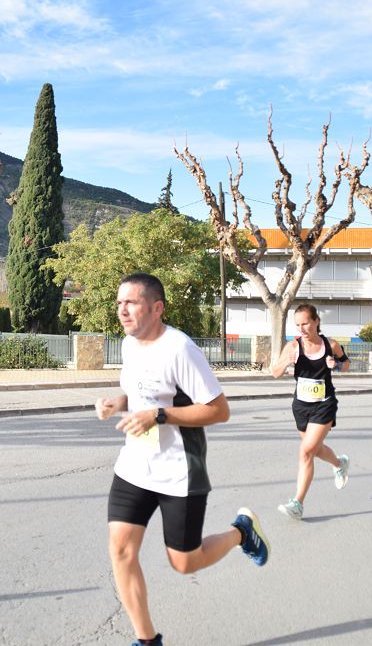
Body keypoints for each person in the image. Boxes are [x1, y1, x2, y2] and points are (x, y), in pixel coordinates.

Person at [96, 273, 269, 646]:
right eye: (119, 302)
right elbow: (142, 391)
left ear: (156, 308)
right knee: (122, 551)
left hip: (179, 472)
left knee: (184, 562)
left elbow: (219, 411)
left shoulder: (180, 349)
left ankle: (241, 532)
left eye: (131, 302)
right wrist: (119, 402)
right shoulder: (129, 344)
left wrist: (159, 416)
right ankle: (147, 641)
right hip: (134, 467)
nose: (122, 310)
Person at [269, 303, 351, 520]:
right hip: (301, 406)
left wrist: (336, 365)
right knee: (313, 449)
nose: (302, 328)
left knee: (306, 452)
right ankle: (339, 463)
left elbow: (346, 364)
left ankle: (297, 503)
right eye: (298, 325)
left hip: (324, 404)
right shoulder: (293, 346)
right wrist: (287, 361)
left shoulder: (330, 344)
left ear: (316, 321)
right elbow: (275, 373)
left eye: (305, 323)